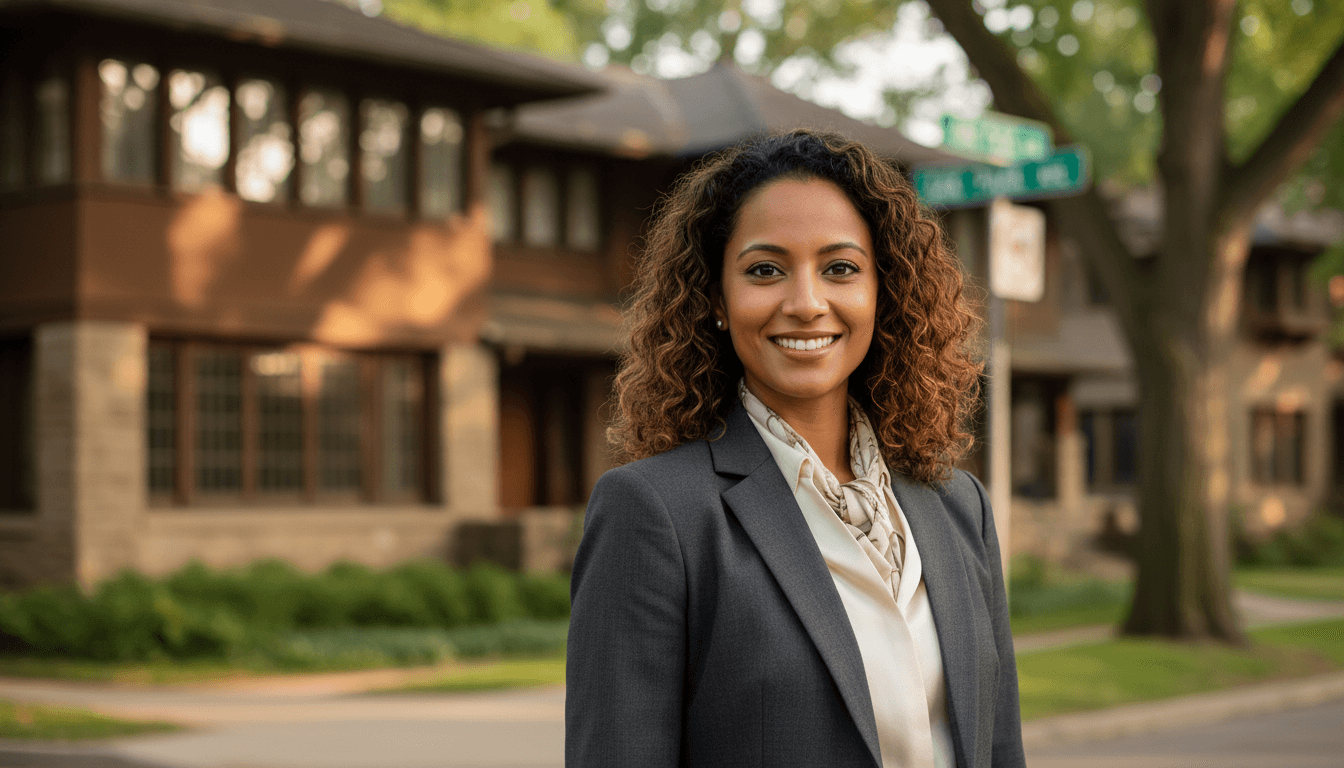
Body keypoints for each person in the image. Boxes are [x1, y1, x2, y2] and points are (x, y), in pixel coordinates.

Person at [565, 130, 1024, 768]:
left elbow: (999, 750)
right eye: (765, 270)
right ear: (717, 299)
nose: (806, 304)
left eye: (840, 268)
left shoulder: (958, 506)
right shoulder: (655, 513)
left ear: (882, 290)